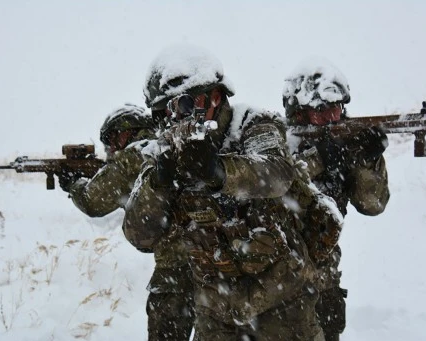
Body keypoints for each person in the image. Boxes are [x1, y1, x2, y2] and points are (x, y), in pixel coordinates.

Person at [123, 43, 325, 341]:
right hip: (215, 308)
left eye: (183, 105)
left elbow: (277, 174)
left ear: (216, 96)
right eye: (163, 111)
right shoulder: (164, 151)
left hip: (283, 300)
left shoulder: (252, 124)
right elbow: (139, 235)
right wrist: (159, 183)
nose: (175, 117)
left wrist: (219, 171)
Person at [58, 104, 195, 341]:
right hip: (215, 260)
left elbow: (93, 201)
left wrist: (73, 184)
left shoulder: (134, 155)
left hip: (178, 266)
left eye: (111, 140)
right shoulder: (169, 146)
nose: (110, 149)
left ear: (125, 132)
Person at [282, 58, 391, 341]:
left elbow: (373, 205)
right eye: (321, 110)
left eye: (336, 108)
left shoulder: (343, 145)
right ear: (299, 113)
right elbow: (277, 188)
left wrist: (369, 160)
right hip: (278, 287)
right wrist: (318, 159)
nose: (331, 117)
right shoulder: (277, 141)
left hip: (324, 281)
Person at [58, 103, 155, 217]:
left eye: (113, 137)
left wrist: (72, 184)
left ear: (127, 131)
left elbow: (90, 203)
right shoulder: (158, 144)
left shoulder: (129, 159)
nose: (112, 147)